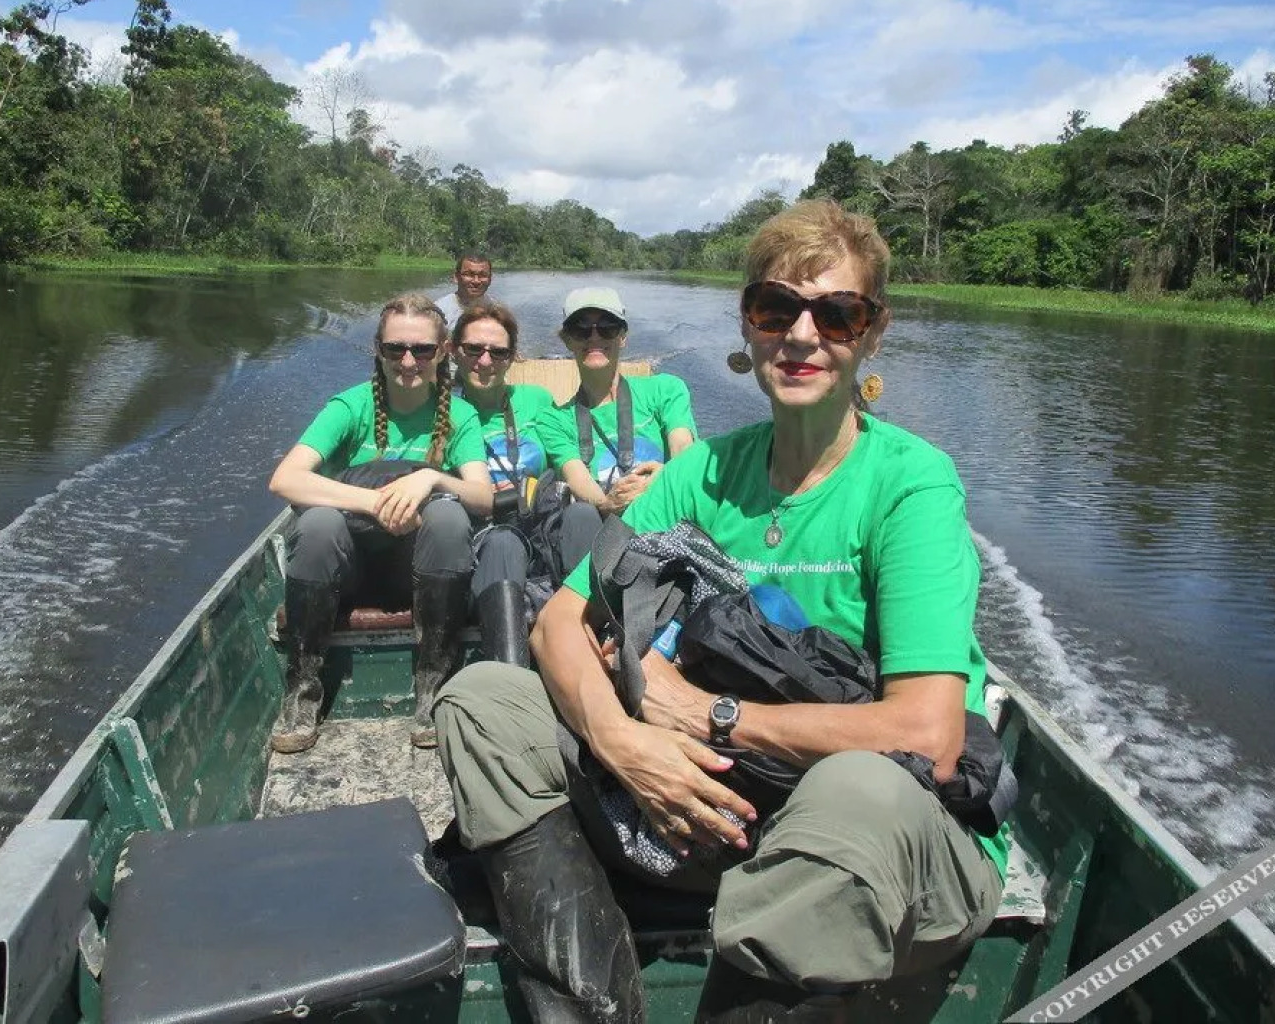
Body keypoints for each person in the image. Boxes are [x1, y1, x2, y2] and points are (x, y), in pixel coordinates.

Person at [432, 201, 1008, 1021]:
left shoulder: (910, 482)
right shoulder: (700, 474)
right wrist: (622, 740)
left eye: (837, 313)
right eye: (777, 309)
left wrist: (710, 714)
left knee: (856, 794)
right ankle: (594, 1003)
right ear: (748, 325)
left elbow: (925, 736)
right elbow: (557, 623)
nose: (802, 335)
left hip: (885, 840)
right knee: (486, 701)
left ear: (871, 334)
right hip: (712, 807)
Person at [269, 293, 492, 753]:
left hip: (420, 571)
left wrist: (430, 477)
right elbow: (286, 479)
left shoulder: (459, 416)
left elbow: (483, 496)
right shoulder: (350, 407)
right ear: (379, 350)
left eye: (422, 350)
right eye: (396, 349)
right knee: (317, 526)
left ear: (443, 352)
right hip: (346, 571)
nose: (408, 361)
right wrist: (374, 501)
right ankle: (302, 690)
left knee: (450, 516)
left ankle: (432, 687)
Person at [452, 302, 602, 667]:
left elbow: (567, 461)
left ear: (512, 357)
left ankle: (597, 654)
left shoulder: (536, 401)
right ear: (454, 350)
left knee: (582, 515)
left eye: (498, 352)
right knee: (503, 543)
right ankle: (510, 675)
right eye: (473, 349)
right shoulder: (442, 411)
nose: (484, 361)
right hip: (483, 534)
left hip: (541, 522)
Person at [535, 286, 697, 570]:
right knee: (579, 514)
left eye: (607, 327)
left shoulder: (665, 389)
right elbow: (577, 477)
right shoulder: (555, 420)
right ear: (567, 340)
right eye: (581, 329)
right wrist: (608, 502)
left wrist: (664, 478)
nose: (595, 337)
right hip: (602, 532)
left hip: (666, 521)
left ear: (623, 336)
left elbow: (683, 447)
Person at [434, 252, 493, 332]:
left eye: (483, 275)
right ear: (456, 277)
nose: (476, 281)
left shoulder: (495, 310)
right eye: (469, 274)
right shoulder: (439, 311)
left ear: (490, 279)